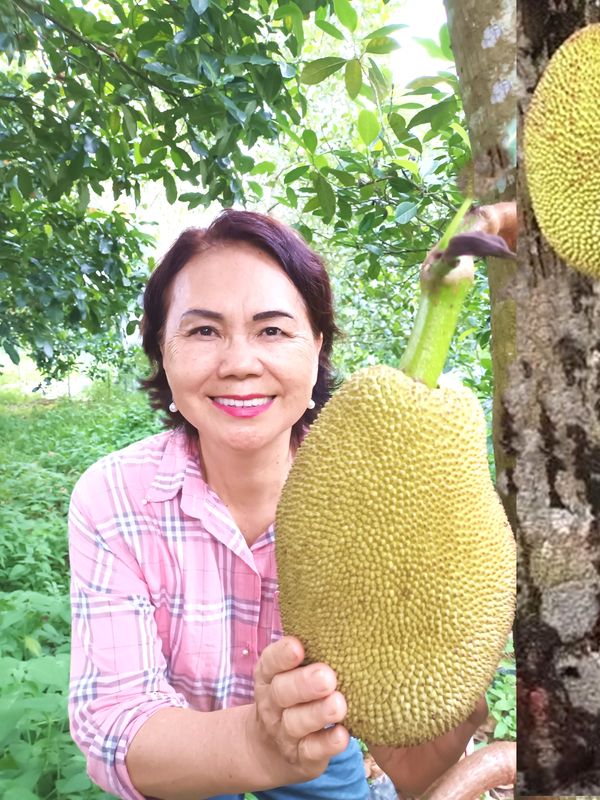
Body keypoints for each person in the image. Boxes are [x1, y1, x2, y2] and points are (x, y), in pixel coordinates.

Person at [68, 206, 513, 800]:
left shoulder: (374, 484)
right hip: (177, 744)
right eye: (203, 331)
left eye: (272, 330)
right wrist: (256, 743)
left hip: (323, 740)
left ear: (317, 346)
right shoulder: (114, 497)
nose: (240, 363)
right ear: (162, 352)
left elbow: (412, 765)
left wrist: (431, 734)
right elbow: (113, 723)